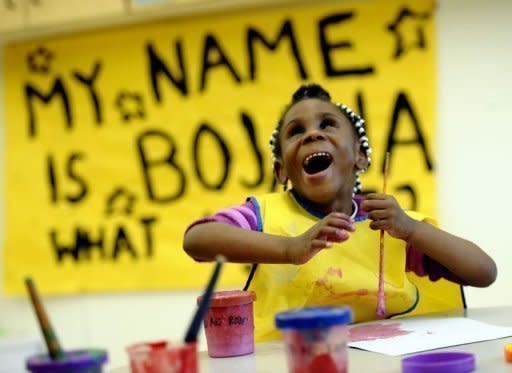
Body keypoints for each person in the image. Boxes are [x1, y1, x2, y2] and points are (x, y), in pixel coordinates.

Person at [183, 83, 497, 341]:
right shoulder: (264, 214)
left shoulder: (390, 223)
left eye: (327, 124)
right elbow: (197, 239)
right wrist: (291, 248)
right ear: (281, 171)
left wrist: (413, 230)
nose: (312, 135)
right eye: (295, 131)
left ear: (360, 156)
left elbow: (483, 272)